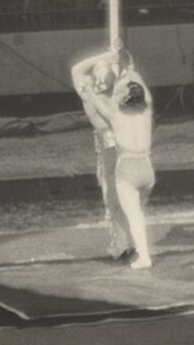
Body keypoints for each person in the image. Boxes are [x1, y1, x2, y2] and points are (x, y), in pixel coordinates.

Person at [81, 50, 155, 271]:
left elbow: (95, 99)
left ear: (122, 99)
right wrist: (130, 71)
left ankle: (143, 256)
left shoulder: (115, 115)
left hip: (128, 169)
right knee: (138, 214)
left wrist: (88, 83)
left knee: (134, 216)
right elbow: (143, 90)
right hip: (147, 168)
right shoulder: (147, 111)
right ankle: (138, 248)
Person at [71, 47, 134, 263]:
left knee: (114, 198)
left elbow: (77, 70)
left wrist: (107, 59)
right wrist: (108, 58)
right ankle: (125, 240)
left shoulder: (97, 96)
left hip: (114, 149)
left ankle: (123, 242)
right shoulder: (105, 94)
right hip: (116, 147)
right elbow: (77, 70)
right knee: (119, 197)